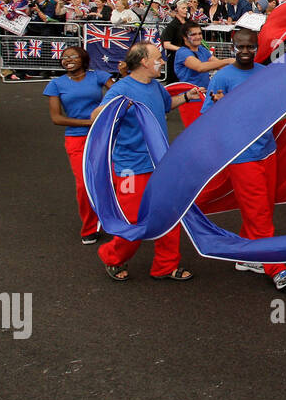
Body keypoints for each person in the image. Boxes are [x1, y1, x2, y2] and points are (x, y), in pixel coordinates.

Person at [202, 27, 286, 291]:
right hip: (242, 157)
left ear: (257, 47)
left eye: (250, 47)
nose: (245, 51)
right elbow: (206, 117)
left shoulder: (265, 72)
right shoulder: (222, 78)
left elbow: (275, 106)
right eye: (240, 47)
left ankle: (245, 255)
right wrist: (219, 106)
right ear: (232, 46)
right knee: (260, 213)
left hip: (268, 151)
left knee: (263, 208)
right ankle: (276, 267)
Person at [90, 43, 199, 282]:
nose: (162, 62)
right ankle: (112, 257)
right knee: (132, 221)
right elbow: (95, 116)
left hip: (160, 163)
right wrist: (115, 108)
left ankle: (165, 266)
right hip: (131, 166)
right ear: (144, 62)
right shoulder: (121, 89)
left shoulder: (156, 86)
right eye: (159, 58)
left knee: (169, 215)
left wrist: (187, 97)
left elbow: (167, 105)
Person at [44, 45, 112, 244]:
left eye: (73, 56)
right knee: (84, 185)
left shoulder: (99, 76)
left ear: (83, 58)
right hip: (76, 137)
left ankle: (114, 219)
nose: (68, 60)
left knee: (110, 179)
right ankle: (89, 227)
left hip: (102, 134)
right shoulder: (55, 84)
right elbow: (56, 118)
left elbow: (120, 92)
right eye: (64, 57)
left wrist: (124, 73)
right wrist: (87, 123)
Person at [174, 22, 234, 126]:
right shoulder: (182, 52)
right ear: (184, 37)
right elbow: (200, 67)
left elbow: (218, 64)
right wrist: (227, 60)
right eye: (193, 34)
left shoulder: (202, 50)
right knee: (195, 133)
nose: (198, 37)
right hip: (191, 100)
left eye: (199, 33)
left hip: (205, 97)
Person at [159, 1, 189, 81]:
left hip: (188, 58)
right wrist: (181, 49)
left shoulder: (189, 23)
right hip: (175, 58)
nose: (186, 10)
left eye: (186, 8)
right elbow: (166, 44)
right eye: (183, 8)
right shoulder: (172, 26)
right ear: (177, 10)